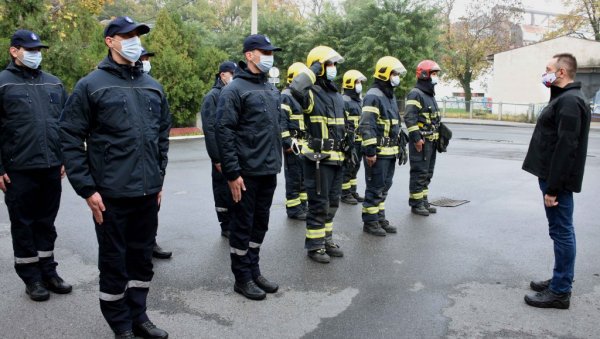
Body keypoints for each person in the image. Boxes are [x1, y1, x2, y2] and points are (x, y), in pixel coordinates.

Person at [60, 16, 170, 338]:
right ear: (110, 41)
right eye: (128, 35)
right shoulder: (91, 85)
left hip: (147, 194)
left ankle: (139, 316)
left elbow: (161, 134)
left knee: (142, 261)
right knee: (114, 262)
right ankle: (120, 323)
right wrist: (87, 188)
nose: (135, 39)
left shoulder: (153, 86)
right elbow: (69, 136)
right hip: (110, 196)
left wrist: (159, 177)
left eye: (138, 34)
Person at [0, 29, 71, 302]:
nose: (35, 54)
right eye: (30, 50)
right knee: (23, 224)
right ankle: (31, 278)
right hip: (18, 169)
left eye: (38, 50)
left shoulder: (53, 83)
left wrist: (63, 157)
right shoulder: (3, 83)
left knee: (46, 223)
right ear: (14, 51)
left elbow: (64, 125)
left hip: (51, 166)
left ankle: (48, 271)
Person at [215, 34, 284, 301]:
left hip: (268, 171)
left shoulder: (270, 89)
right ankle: (241, 278)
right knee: (242, 226)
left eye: (271, 52)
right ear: (249, 55)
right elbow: (225, 132)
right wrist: (232, 174)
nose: (269, 56)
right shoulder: (235, 90)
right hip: (245, 175)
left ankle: (254, 271)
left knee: (260, 225)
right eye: (264, 52)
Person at [522, 53, 590, 309]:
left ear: (561, 72)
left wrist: (553, 188)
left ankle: (560, 291)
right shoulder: (564, 98)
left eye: (548, 69)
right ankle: (559, 280)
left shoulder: (570, 101)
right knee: (560, 230)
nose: (545, 73)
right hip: (552, 177)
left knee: (562, 231)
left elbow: (566, 148)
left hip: (556, 181)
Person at [289, 46, 346, 264]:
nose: (333, 68)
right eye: (329, 64)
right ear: (319, 66)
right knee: (319, 203)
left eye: (334, 64)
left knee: (332, 203)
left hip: (337, 158)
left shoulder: (335, 94)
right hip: (318, 160)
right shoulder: (311, 93)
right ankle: (314, 246)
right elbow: (295, 88)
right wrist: (311, 70)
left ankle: (326, 240)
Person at [359, 57, 406, 236]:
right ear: (385, 73)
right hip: (377, 152)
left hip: (390, 151)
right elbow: (367, 125)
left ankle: (379, 217)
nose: (396, 77)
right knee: (375, 187)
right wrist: (370, 151)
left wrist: (401, 146)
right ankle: (370, 222)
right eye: (394, 73)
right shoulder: (374, 95)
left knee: (384, 186)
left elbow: (394, 123)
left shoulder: (389, 95)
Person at [139, 46, 172, 259]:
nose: (145, 61)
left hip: (151, 166)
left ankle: (150, 243)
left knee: (151, 211)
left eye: (146, 58)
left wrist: (161, 168)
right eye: (142, 58)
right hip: (122, 169)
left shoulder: (153, 88)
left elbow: (163, 131)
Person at [200, 60, 237, 238]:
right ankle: (226, 224)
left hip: (234, 154)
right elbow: (210, 129)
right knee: (222, 189)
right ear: (223, 75)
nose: (235, 77)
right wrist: (217, 159)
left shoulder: (233, 94)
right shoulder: (212, 97)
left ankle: (235, 221)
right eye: (232, 73)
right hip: (221, 156)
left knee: (235, 188)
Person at [404, 60, 442, 216]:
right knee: (419, 172)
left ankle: (423, 201)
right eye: (434, 74)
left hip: (431, 141)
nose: (436, 77)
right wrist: (416, 138)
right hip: (421, 142)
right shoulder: (416, 93)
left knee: (427, 173)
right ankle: (416, 203)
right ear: (425, 74)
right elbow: (409, 118)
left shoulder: (429, 94)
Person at [282, 62, 310, 220]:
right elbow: (282, 122)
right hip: (292, 144)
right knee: (294, 177)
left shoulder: (301, 96)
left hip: (303, 144)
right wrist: (286, 143)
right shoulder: (286, 96)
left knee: (303, 177)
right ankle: (293, 209)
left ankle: (302, 206)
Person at [340, 70, 367, 205]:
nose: (360, 85)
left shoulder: (358, 101)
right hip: (349, 141)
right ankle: (344, 193)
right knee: (347, 166)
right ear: (350, 83)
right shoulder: (344, 101)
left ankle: (352, 190)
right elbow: (342, 123)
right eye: (357, 82)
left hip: (359, 140)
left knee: (355, 166)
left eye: (360, 82)